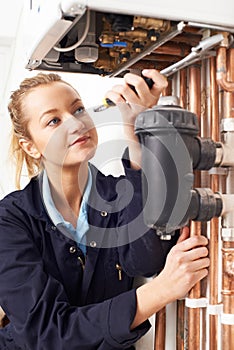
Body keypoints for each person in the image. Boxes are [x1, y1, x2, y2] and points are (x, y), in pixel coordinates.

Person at [0, 70, 209, 350]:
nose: (75, 124)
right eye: (53, 121)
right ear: (31, 147)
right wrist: (160, 291)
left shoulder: (121, 193)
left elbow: (145, 261)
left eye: (78, 109)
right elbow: (47, 332)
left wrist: (137, 137)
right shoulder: (10, 221)